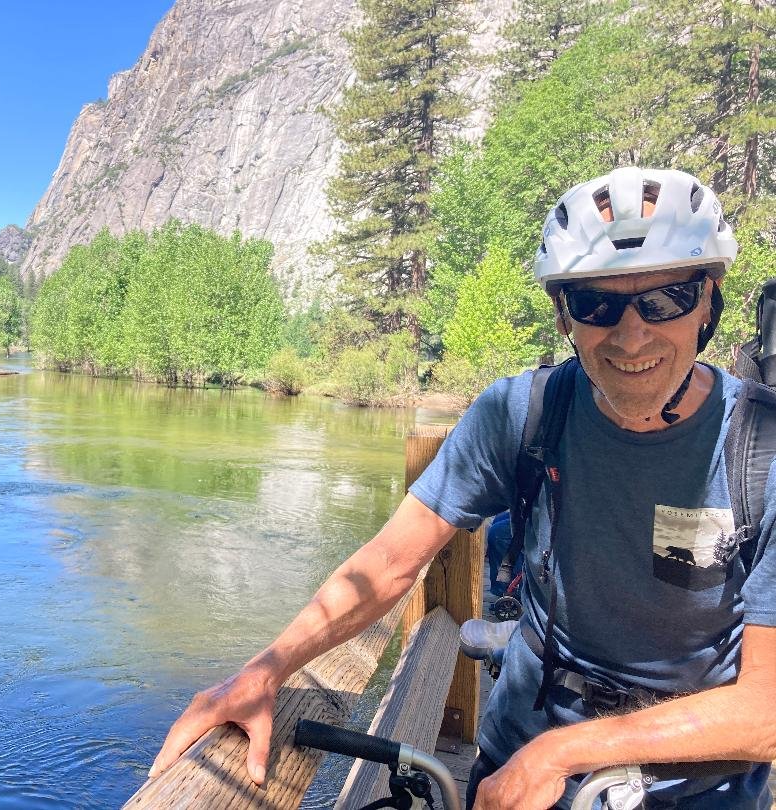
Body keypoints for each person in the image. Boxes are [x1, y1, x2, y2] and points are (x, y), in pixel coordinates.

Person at [148, 167, 776, 809]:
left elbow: (766, 711)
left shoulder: (763, 451)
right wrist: (267, 668)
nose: (632, 333)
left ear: (709, 298)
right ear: (564, 314)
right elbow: (390, 562)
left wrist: (563, 752)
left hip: (690, 787)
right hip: (512, 763)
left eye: (664, 299)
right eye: (597, 304)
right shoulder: (521, 416)